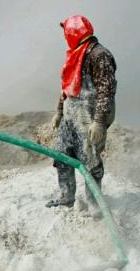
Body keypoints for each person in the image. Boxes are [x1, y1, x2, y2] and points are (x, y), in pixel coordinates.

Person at [46, 15, 117, 209]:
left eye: (66, 33)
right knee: (62, 155)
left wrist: (100, 121)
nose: (65, 37)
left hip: (89, 116)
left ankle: (95, 204)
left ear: (75, 32)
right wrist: (60, 112)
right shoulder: (75, 54)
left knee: (90, 159)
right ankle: (67, 196)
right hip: (71, 116)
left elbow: (106, 90)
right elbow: (67, 88)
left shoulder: (98, 54)